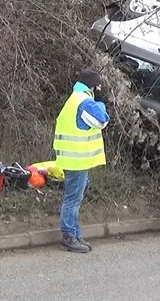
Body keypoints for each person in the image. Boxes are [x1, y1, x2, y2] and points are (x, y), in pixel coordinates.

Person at [53, 68, 110, 253]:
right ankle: (69, 236)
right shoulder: (85, 101)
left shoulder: (76, 98)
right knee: (73, 200)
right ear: (94, 86)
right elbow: (102, 120)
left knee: (74, 198)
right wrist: (100, 99)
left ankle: (76, 234)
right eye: (98, 87)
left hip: (73, 159)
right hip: (77, 160)